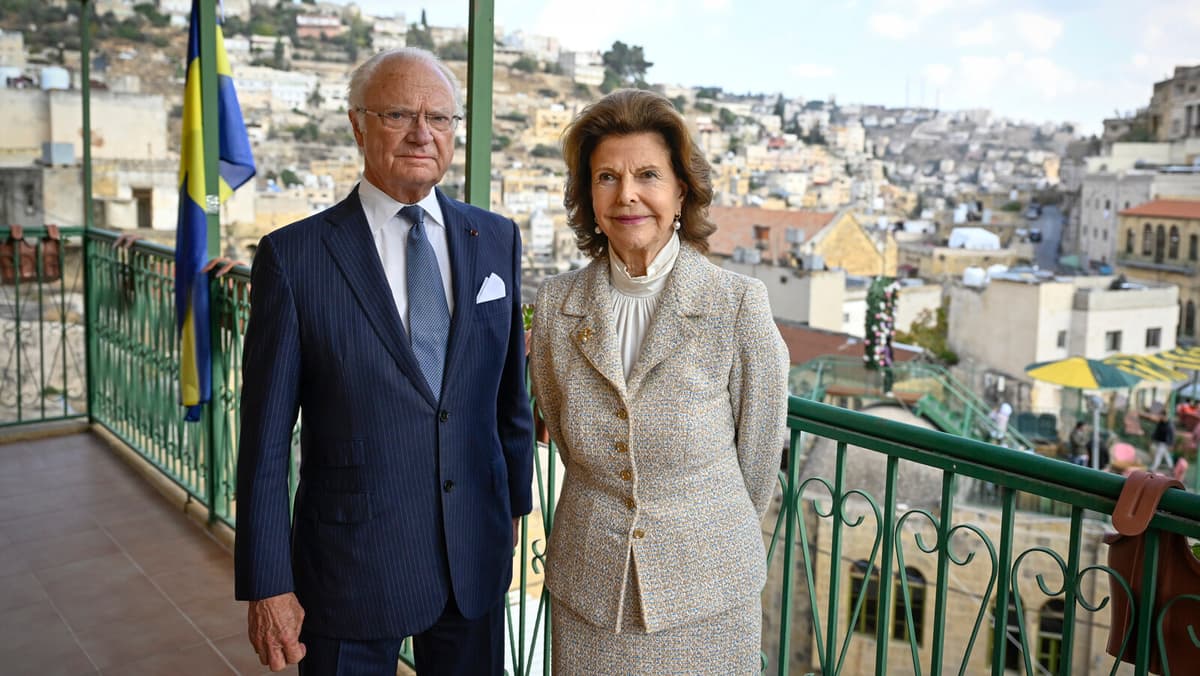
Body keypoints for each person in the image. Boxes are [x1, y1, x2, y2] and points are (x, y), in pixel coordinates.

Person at [234, 48, 534, 675]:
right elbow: (264, 441)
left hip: (473, 555)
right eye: (399, 114)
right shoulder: (295, 257)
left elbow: (510, 399)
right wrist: (268, 583)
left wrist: (513, 507)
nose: (423, 133)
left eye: (440, 118)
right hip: (349, 566)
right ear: (358, 124)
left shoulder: (496, 238)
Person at [528, 89, 789, 674]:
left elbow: (759, 459)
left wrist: (699, 534)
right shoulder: (556, 306)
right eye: (606, 177)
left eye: (648, 175)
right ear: (588, 195)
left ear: (681, 192)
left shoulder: (737, 305)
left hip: (710, 594)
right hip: (590, 595)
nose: (627, 195)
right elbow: (569, 441)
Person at [1141, 404, 1176, 473]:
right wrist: (1152, 439)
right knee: (1166, 455)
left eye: (1161, 415)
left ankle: (1153, 468)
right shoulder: (1161, 423)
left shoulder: (1169, 424)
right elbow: (1156, 432)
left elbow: (1172, 435)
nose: (1160, 417)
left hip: (1165, 443)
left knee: (1158, 455)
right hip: (1160, 441)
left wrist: (1171, 444)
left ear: (1164, 416)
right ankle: (1171, 467)